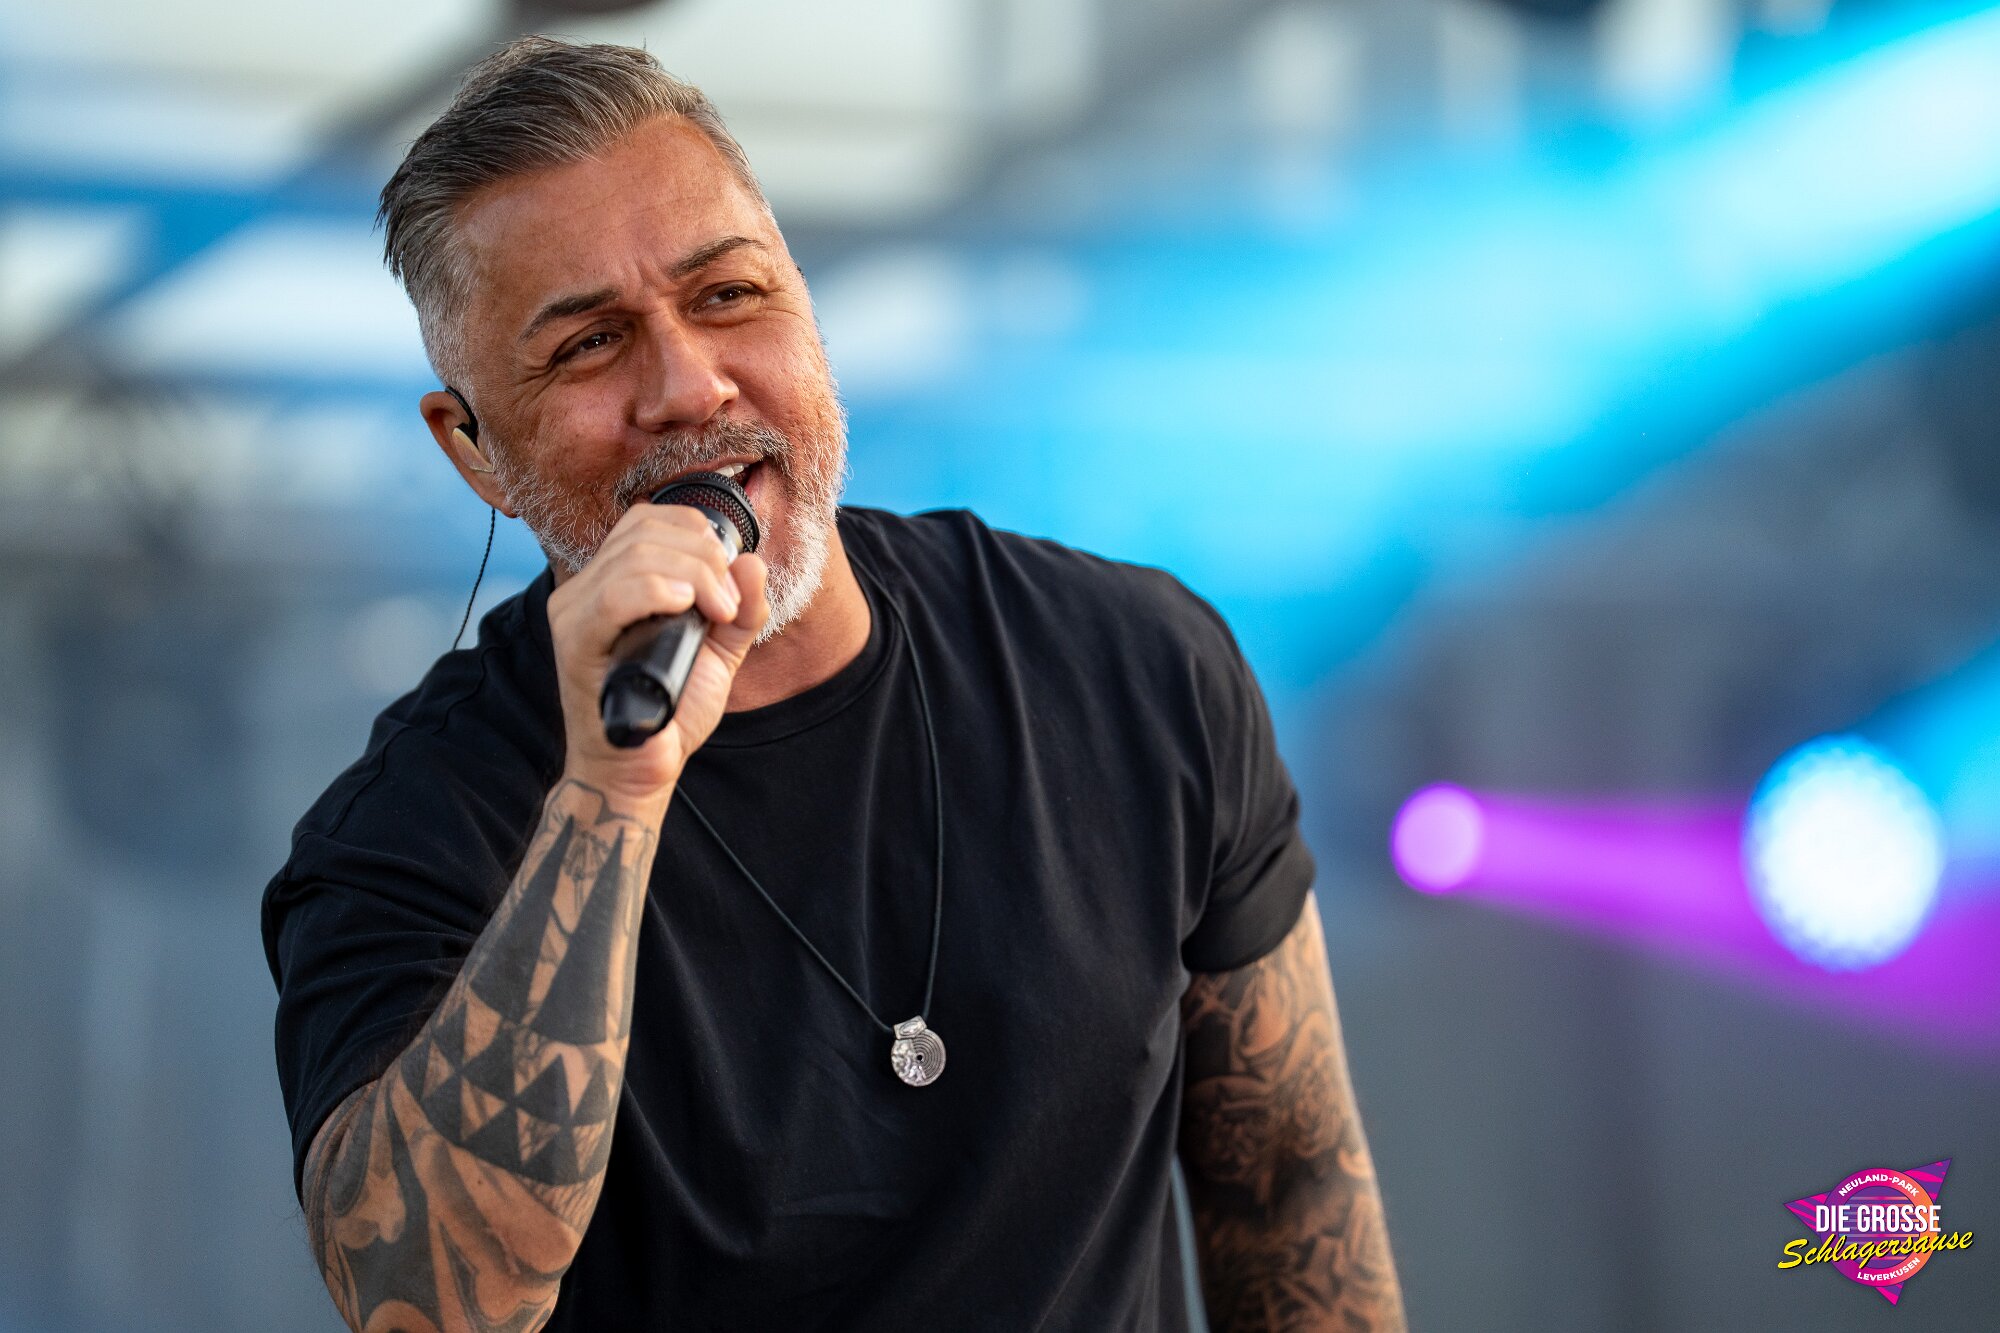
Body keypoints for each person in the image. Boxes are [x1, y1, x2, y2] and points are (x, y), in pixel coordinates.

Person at [261, 35, 1405, 1333]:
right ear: (472, 448)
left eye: (729, 294)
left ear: (807, 305)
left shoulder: (1136, 665)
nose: (688, 385)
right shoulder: (410, 826)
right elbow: (431, 1307)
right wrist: (611, 792)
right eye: (588, 346)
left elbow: (1291, 1185)